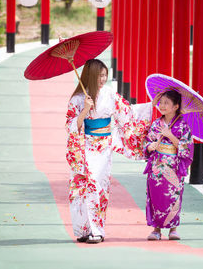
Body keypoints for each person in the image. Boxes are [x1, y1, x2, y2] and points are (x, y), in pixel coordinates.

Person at [65, 59, 152, 243]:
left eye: (105, 75)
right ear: (90, 76)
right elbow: (71, 126)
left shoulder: (110, 94)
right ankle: (83, 230)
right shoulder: (78, 99)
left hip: (103, 148)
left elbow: (127, 113)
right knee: (79, 188)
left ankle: (97, 230)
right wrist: (85, 110)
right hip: (83, 146)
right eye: (100, 76)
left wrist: (152, 106)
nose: (103, 79)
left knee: (97, 185)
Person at [143, 90, 194, 241]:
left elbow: (188, 148)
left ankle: (173, 229)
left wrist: (170, 135)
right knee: (156, 196)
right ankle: (156, 229)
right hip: (157, 166)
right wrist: (149, 146)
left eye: (167, 103)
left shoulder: (183, 126)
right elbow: (147, 141)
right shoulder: (155, 124)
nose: (162, 106)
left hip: (174, 166)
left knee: (174, 197)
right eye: (161, 102)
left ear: (176, 106)